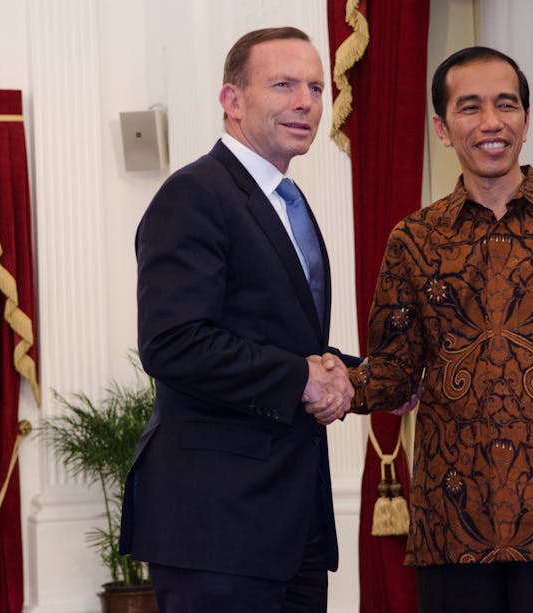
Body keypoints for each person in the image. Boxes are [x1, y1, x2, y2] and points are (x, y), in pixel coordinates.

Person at [348, 47, 533, 613]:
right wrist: (330, 381)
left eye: (506, 105)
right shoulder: (413, 239)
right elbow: (393, 373)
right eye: (470, 107)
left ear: (526, 120)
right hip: (451, 529)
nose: (491, 122)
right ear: (442, 128)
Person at [119, 27, 358, 613]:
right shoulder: (194, 194)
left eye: (315, 88)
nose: (305, 102)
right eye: (283, 85)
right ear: (232, 99)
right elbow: (173, 343)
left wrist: (370, 376)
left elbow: (282, 341)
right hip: (217, 526)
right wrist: (304, 378)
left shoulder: (286, 202)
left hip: (293, 523)